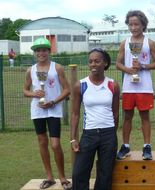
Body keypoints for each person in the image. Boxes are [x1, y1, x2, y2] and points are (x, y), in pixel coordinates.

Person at [23, 38, 72, 190]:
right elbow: (25, 90)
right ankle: (49, 177)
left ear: (49, 51)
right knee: (42, 142)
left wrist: (53, 102)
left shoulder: (57, 68)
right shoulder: (30, 70)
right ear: (35, 53)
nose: (41, 53)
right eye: (38, 50)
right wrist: (33, 94)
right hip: (37, 110)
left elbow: (67, 89)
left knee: (55, 145)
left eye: (44, 50)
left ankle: (62, 178)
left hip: (53, 109)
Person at [71, 48, 120, 190]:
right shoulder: (80, 85)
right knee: (79, 172)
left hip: (108, 134)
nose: (93, 64)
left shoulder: (113, 85)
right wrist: (73, 138)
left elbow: (116, 113)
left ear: (105, 63)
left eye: (97, 61)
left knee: (105, 174)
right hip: (89, 134)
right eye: (90, 61)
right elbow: (75, 114)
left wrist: (111, 133)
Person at [115, 10, 155, 160]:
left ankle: (147, 147)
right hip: (129, 87)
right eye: (130, 24)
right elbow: (117, 63)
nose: (133, 27)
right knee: (127, 116)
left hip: (145, 87)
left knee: (145, 117)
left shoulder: (150, 43)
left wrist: (143, 66)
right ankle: (126, 146)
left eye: (136, 24)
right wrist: (128, 70)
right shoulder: (125, 43)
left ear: (143, 25)